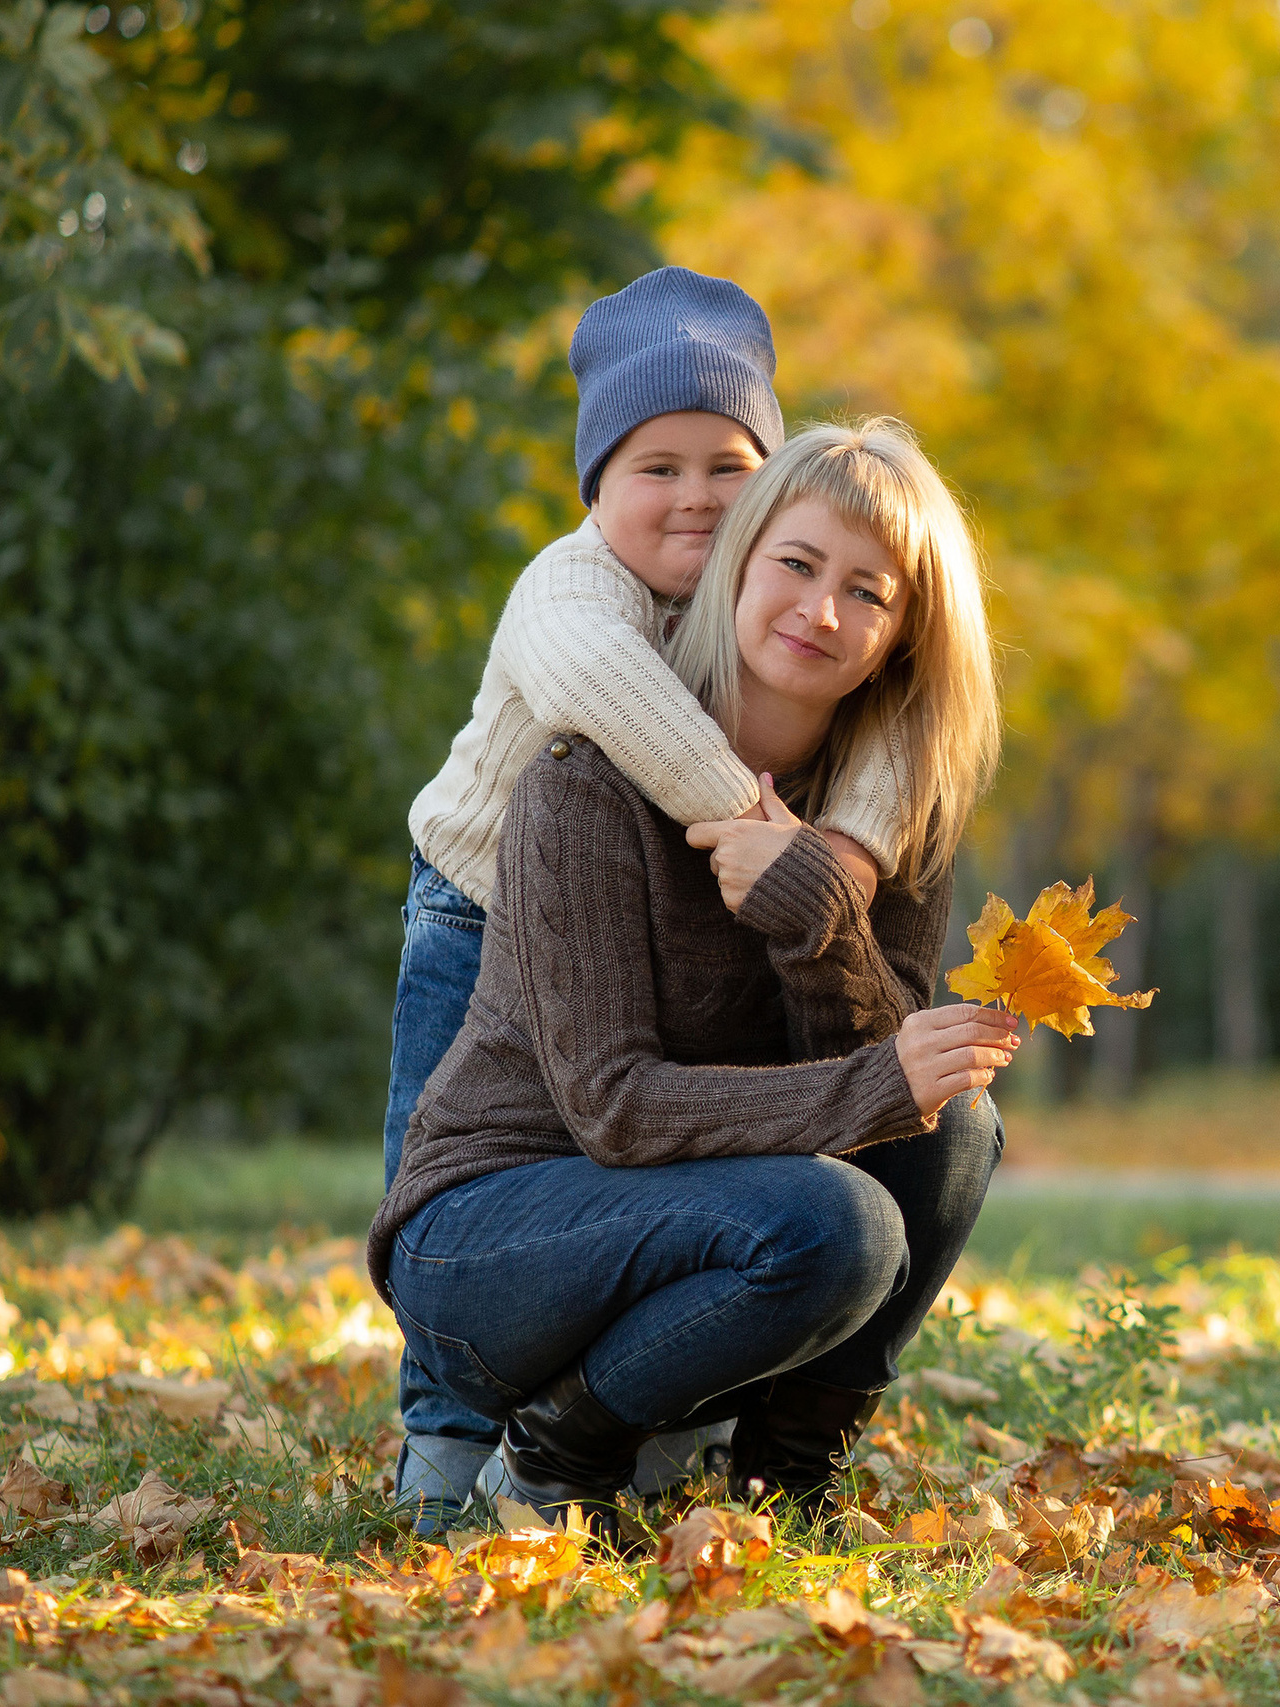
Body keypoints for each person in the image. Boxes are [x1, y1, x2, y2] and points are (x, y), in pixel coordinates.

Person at [368, 418, 1013, 1539]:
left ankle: (785, 1472)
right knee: (841, 1221)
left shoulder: (890, 812)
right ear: (739, 564)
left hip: (686, 1217)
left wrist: (814, 910)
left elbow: (874, 1070)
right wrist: (878, 1084)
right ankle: (554, 1457)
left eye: (869, 593)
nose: (821, 612)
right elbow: (613, 1108)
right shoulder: (581, 786)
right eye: (796, 567)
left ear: (906, 634)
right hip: (491, 1241)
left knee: (955, 1128)